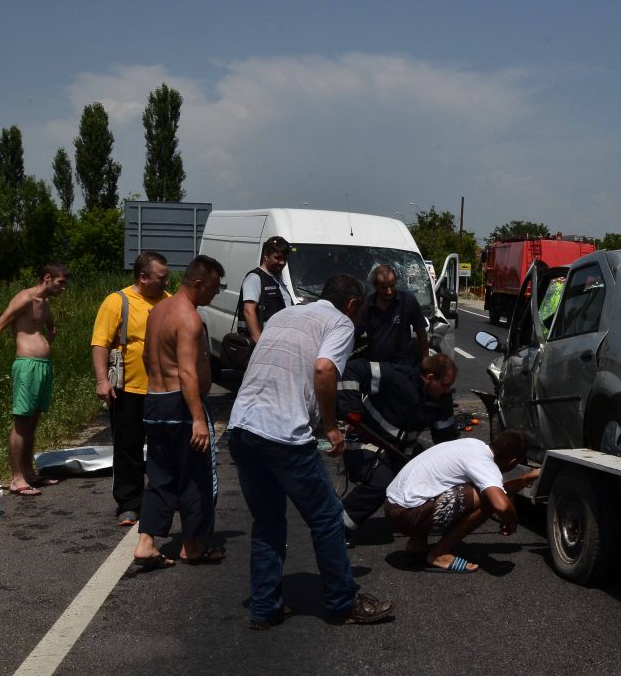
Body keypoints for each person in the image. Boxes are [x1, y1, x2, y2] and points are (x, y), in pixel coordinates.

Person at [228, 274, 394, 628]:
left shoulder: (284, 314)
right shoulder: (339, 323)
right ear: (351, 304)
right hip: (282, 433)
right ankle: (341, 602)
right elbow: (323, 369)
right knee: (327, 518)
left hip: (242, 427)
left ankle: (265, 608)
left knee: (268, 521)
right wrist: (331, 427)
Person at [132, 255, 226, 569]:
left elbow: (146, 357)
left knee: (160, 476)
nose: (216, 293)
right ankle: (193, 546)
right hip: (181, 404)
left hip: (154, 402)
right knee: (196, 476)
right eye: (213, 286)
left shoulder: (157, 311)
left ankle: (146, 544)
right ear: (197, 283)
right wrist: (198, 418)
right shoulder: (189, 318)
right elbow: (187, 373)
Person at [338, 353, 459, 541]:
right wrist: (352, 409)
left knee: (433, 478)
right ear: (430, 378)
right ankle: (337, 527)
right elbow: (352, 370)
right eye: (445, 385)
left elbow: (446, 440)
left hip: (403, 452)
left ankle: (421, 525)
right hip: (366, 443)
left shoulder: (442, 401)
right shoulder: (396, 378)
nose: (447, 390)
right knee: (381, 484)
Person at [0, 263, 69, 496]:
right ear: (47, 278)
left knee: (33, 421)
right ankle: (16, 479)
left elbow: (51, 328)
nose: (64, 288)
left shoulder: (45, 303)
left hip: (43, 366)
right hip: (26, 366)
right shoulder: (24, 299)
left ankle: (28, 473)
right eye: (61, 283)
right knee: (21, 421)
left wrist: (46, 343)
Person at [384, 430, 540, 573]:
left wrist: (525, 479)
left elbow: (496, 491)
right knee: (488, 501)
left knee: (468, 490)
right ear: (513, 462)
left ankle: (417, 544)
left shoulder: (473, 444)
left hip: (393, 506)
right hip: (408, 515)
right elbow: (501, 504)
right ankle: (438, 555)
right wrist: (511, 522)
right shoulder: (485, 465)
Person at [91, 251, 170, 526]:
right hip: (128, 389)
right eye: (161, 277)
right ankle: (129, 503)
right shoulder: (117, 301)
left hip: (163, 388)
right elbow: (100, 342)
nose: (166, 282)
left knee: (165, 448)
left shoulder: (168, 301)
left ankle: (165, 498)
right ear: (143, 276)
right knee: (128, 448)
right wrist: (102, 380)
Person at [357, 264, 428, 366]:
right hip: (377, 367)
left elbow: (421, 332)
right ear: (375, 286)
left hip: (403, 366)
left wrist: (425, 358)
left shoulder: (407, 300)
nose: (389, 291)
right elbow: (356, 332)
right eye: (384, 287)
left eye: (392, 286)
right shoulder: (368, 305)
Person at [238, 235, 293, 343]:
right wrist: (260, 344)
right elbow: (249, 311)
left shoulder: (277, 278)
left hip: (276, 340)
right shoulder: (255, 278)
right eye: (277, 258)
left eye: (284, 259)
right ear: (266, 256)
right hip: (262, 344)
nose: (282, 262)